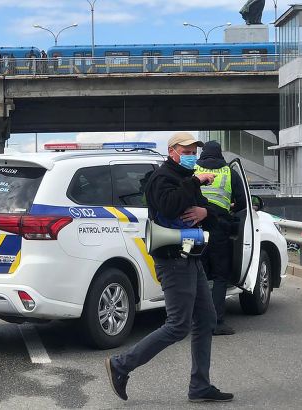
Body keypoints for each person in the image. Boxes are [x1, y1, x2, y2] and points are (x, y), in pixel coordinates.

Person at [106, 132, 234, 403]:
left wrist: (205, 213)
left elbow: (203, 210)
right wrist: (195, 181)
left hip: (191, 257)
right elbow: (169, 205)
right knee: (178, 325)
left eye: (193, 150)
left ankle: (200, 386)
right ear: (173, 151)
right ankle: (121, 365)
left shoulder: (185, 179)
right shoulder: (161, 178)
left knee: (207, 319)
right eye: (186, 150)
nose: (191, 155)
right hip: (173, 260)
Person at [195, 141, 246, 336]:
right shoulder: (229, 172)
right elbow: (242, 203)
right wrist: (230, 207)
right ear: (220, 154)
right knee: (219, 276)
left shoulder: (193, 170)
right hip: (219, 227)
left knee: (198, 274)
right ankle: (216, 322)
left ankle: (196, 319)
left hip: (194, 227)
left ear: (202, 153)